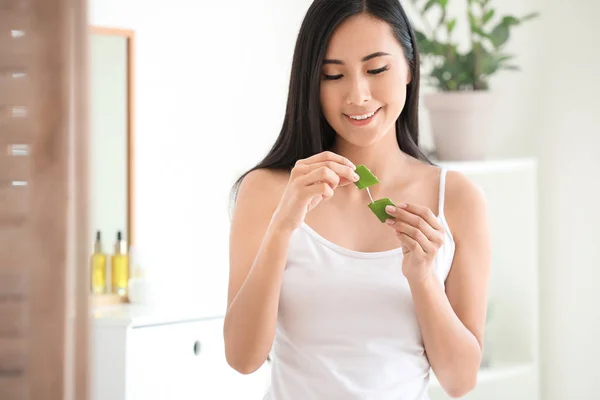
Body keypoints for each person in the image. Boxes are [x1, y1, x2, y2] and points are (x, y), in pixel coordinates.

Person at [223, 0, 491, 398]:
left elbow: (459, 380)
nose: (358, 95)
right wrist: (282, 227)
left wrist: (423, 279)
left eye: (376, 69)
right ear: (311, 82)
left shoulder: (456, 199)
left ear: (410, 68)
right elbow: (243, 358)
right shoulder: (266, 190)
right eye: (333, 75)